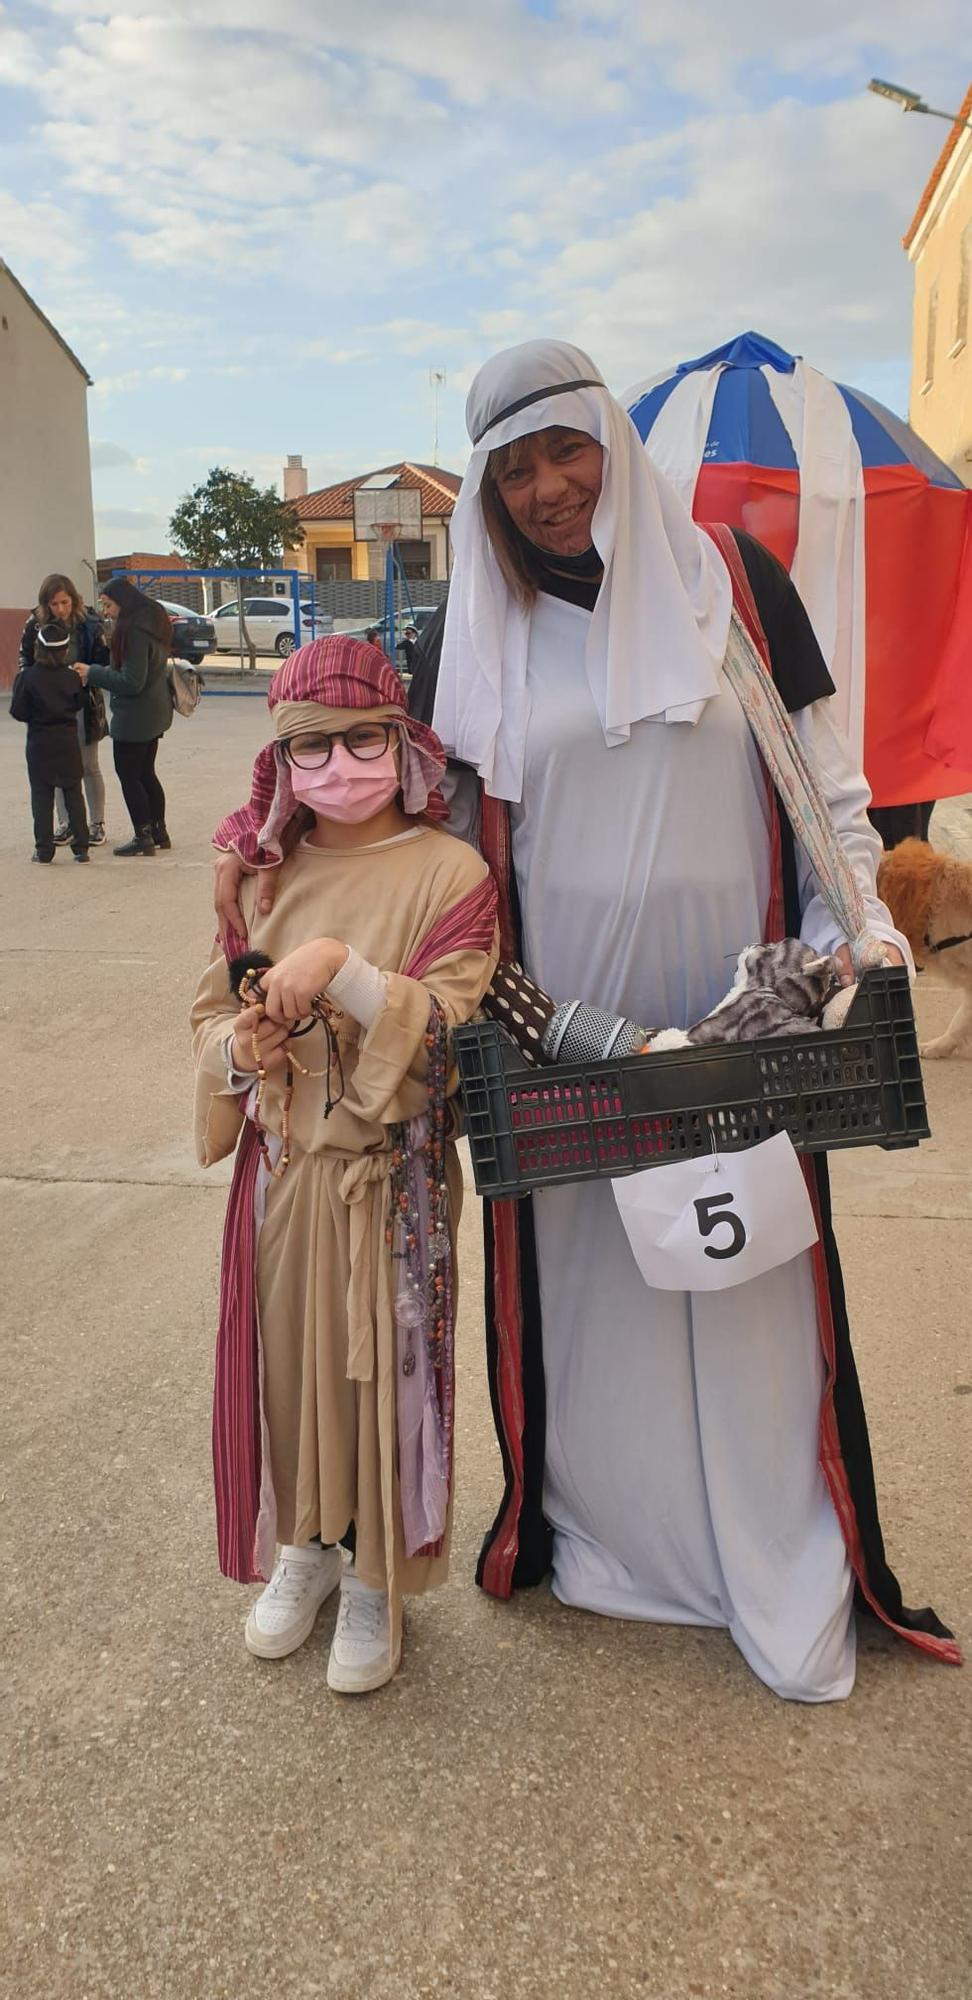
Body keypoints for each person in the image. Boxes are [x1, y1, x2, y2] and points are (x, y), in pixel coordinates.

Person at [214, 340, 959, 1700]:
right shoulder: (463, 635)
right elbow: (420, 844)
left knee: (748, 1297)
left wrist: (861, 937)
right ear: (487, 495)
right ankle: (620, 1546)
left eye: (567, 451)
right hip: (561, 1033)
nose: (550, 489)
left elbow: (826, 787)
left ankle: (762, 1553)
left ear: (612, 441)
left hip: (744, 1019)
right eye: (515, 471)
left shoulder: (735, 582)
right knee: (599, 1295)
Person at [193, 636, 498, 1692]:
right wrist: (239, 1048)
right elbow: (207, 1007)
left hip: (391, 1180)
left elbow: (456, 1021)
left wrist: (348, 972)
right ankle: (307, 1547)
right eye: (310, 746)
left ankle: (377, 1572)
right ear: (279, 760)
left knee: (383, 1372)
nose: (340, 763)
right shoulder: (264, 880)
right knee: (289, 1366)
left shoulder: (453, 872)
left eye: (363, 736)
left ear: (404, 740)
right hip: (283, 1180)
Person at [76, 579, 173, 857]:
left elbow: (131, 681)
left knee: (130, 776)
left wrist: (92, 672)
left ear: (123, 602)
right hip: (154, 712)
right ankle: (158, 831)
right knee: (146, 773)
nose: (105, 611)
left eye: (108, 605)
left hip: (135, 718)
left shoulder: (133, 631)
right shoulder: (153, 621)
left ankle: (143, 836)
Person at [18, 574, 110, 845]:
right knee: (54, 766)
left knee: (88, 764)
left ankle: (96, 823)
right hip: (47, 703)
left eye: (64, 602)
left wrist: (89, 672)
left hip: (82, 699)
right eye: (54, 604)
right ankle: (66, 823)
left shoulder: (90, 623)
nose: (60, 609)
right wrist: (32, 682)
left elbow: (104, 661)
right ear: (46, 604)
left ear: (74, 599)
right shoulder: (35, 623)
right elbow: (24, 656)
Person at [10, 617, 90, 862]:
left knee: (41, 796)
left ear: (38, 649)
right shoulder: (72, 677)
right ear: (66, 650)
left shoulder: (27, 677)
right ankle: (82, 848)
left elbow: (18, 711)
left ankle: (44, 850)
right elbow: (81, 703)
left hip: (39, 743)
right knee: (74, 793)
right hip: (67, 742)